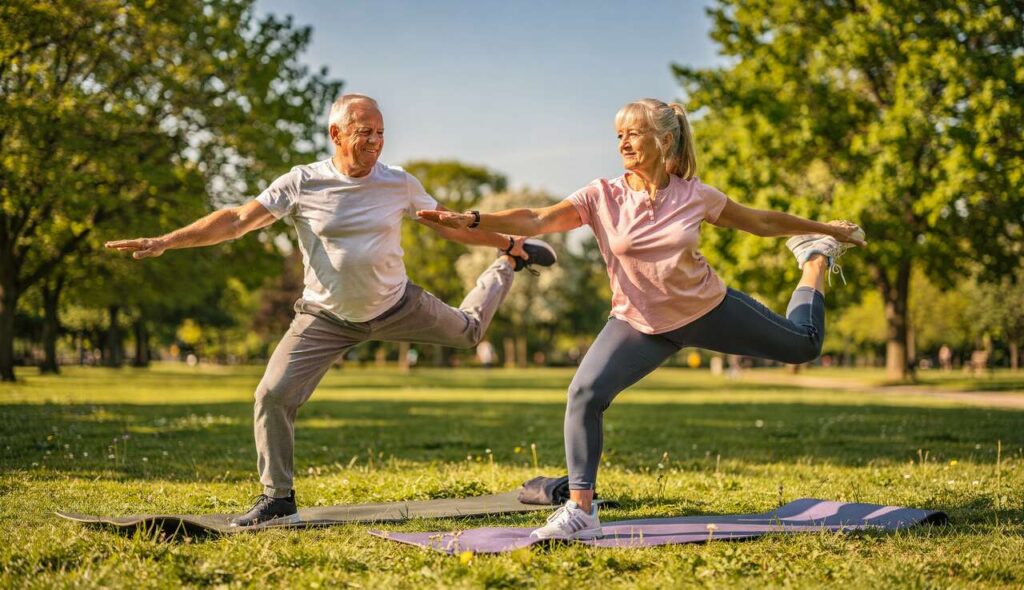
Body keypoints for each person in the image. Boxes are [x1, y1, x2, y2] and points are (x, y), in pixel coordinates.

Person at [419, 98, 866, 540]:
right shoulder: (601, 196)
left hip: (706, 309)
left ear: (665, 139)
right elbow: (536, 218)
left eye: (634, 133)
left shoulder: (695, 195)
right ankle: (581, 509)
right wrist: (476, 219)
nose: (624, 142)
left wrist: (825, 230)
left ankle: (813, 259)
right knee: (584, 393)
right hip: (638, 324)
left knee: (804, 344)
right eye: (619, 135)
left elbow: (759, 222)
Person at [106, 94, 557, 526]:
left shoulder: (398, 181)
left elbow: (452, 227)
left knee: (469, 332)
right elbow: (238, 220)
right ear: (336, 134)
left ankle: (507, 266)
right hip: (324, 318)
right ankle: (278, 500)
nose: (376, 142)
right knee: (271, 395)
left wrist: (508, 243)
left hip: (396, 303)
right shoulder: (302, 182)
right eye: (365, 132)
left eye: (381, 132)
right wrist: (166, 241)